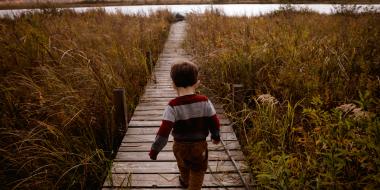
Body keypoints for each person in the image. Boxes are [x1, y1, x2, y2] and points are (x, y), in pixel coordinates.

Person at [149, 60, 221, 189]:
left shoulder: (172, 106)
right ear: (197, 83)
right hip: (199, 146)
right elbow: (214, 120)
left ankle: (185, 180)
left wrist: (155, 150)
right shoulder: (204, 101)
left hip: (179, 147)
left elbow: (164, 131)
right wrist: (215, 136)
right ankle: (192, 186)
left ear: (173, 85)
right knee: (198, 170)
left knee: (183, 165)